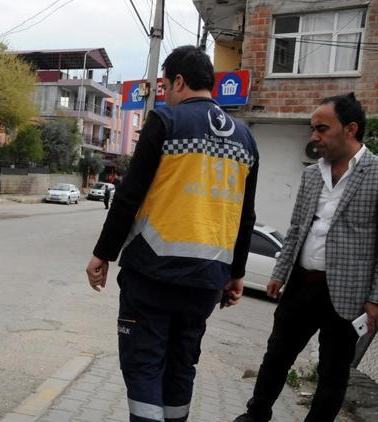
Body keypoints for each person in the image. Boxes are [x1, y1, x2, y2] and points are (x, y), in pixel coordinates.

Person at [85, 45, 258, 422]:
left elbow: (130, 195)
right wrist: (236, 274)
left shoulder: (166, 123)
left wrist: (103, 254)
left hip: (153, 273)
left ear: (179, 81)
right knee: (181, 366)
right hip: (207, 280)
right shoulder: (246, 139)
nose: (165, 93)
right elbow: (246, 215)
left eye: (165, 85)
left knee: (145, 365)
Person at [234, 93, 378, 422]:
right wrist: (280, 272)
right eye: (313, 128)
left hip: (348, 294)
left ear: (350, 129)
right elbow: (297, 226)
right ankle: (255, 415)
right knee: (276, 356)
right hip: (302, 284)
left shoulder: (375, 173)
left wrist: (375, 298)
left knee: (333, 372)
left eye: (322, 128)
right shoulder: (313, 174)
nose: (314, 136)